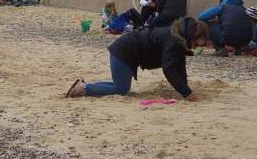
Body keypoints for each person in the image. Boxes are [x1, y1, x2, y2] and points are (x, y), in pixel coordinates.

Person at [66, 17, 208, 101]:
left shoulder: (180, 39)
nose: (194, 48)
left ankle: (84, 85)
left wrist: (186, 89)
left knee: (121, 87)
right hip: (124, 51)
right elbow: (169, 70)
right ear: (191, 37)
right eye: (195, 44)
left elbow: (179, 65)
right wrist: (186, 93)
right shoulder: (174, 42)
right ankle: (84, 87)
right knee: (121, 90)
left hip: (127, 51)